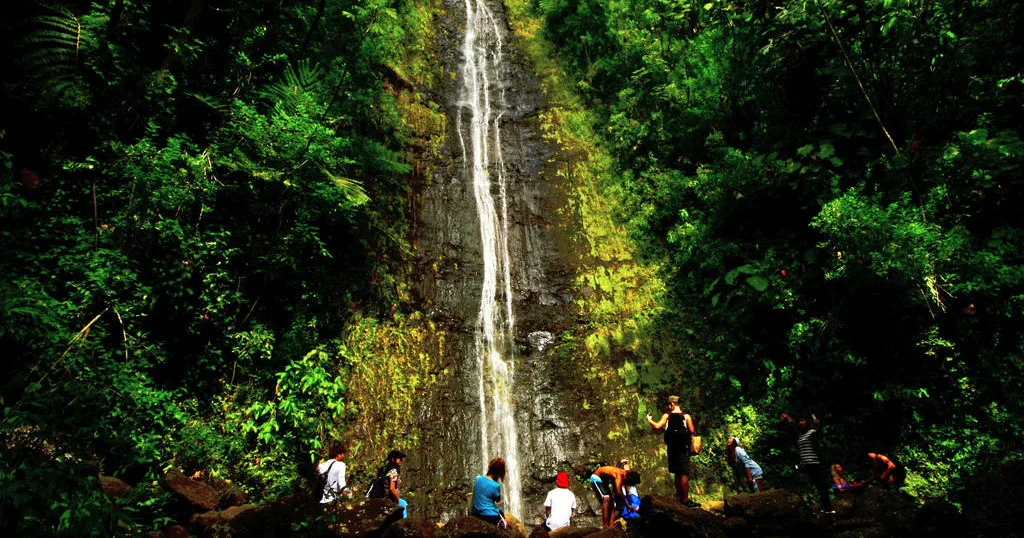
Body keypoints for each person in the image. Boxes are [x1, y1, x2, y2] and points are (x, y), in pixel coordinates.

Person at [646, 395, 700, 508]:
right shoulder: (686, 417)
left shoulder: (667, 416)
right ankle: (685, 500)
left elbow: (657, 426)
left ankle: (679, 497)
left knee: (676, 472)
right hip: (683, 448)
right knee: (684, 473)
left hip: (672, 448)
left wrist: (649, 420)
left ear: (672, 404)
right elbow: (692, 430)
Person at [780, 413, 834, 514]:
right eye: (799, 421)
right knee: (817, 485)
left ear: (807, 422)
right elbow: (793, 428)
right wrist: (788, 418)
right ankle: (824, 506)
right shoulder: (800, 436)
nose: (800, 423)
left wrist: (818, 424)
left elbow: (818, 431)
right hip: (806, 464)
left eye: (802, 420)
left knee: (820, 484)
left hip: (814, 462)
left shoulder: (811, 432)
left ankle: (828, 507)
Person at [366, 449, 408, 518]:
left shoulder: (384, 469)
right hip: (387, 498)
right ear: (393, 459)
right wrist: (397, 500)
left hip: (378, 497)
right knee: (403, 504)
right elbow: (392, 489)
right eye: (399, 459)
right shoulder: (393, 471)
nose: (401, 461)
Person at [471, 457, 506, 528]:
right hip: (490, 516)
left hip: (476, 514)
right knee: (503, 520)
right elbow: (497, 499)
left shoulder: (478, 479)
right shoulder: (495, 485)